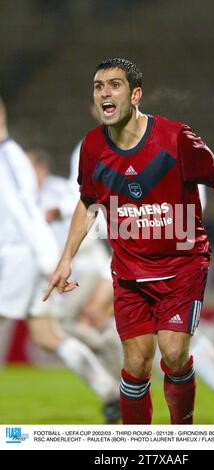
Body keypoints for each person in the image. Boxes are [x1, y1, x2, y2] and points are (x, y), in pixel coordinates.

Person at [44, 58, 214, 425]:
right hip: (130, 271)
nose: (104, 91)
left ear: (136, 94)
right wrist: (65, 260)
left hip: (181, 267)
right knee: (136, 363)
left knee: (172, 353)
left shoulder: (176, 138)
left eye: (114, 84)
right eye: (98, 86)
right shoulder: (91, 147)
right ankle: (137, 444)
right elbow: (88, 202)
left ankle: (180, 436)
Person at [0, 97, 120, 423]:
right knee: (47, 334)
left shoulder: (6, 158)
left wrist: (50, 263)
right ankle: (108, 390)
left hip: (18, 261)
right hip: (26, 258)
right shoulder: (11, 156)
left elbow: (27, 216)